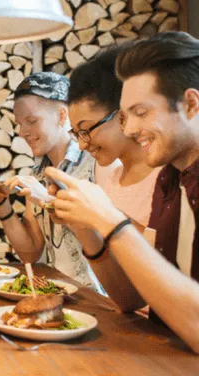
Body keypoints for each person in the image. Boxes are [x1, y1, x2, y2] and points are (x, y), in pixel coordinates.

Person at [46, 31, 199, 353]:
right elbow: (134, 300)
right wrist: (85, 224)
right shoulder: (170, 181)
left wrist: (112, 222)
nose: (129, 130)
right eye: (126, 116)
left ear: (191, 104)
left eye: (141, 113)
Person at [0, 72, 102, 293]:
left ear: (62, 115)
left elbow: (107, 239)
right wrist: (2, 204)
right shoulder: (38, 174)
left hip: (101, 302)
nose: (22, 132)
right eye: (19, 123)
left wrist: (46, 200)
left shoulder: (96, 163)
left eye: (31, 121)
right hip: (62, 297)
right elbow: (30, 252)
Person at [65, 45, 163, 311]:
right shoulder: (113, 179)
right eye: (76, 134)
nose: (83, 145)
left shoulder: (169, 178)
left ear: (122, 114)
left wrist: (104, 215)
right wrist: (83, 227)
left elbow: (163, 269)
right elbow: (127, 301)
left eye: (87, 130)